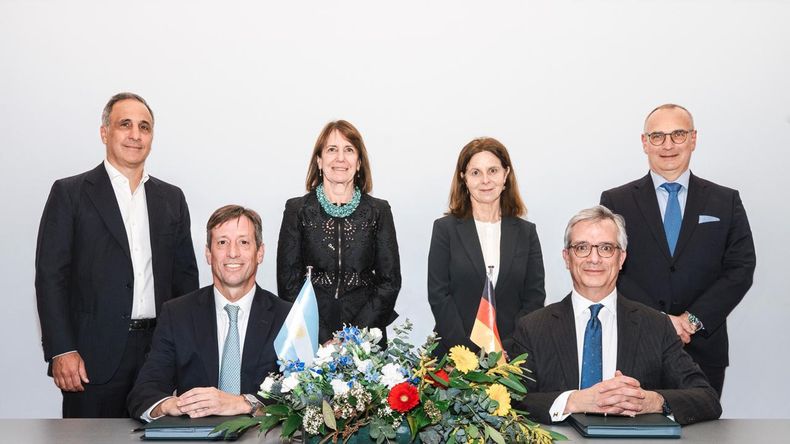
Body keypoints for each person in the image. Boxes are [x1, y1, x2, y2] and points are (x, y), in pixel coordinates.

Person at [35, 92, 199, 418]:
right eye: (125, 124)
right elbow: (51, 277)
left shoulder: (171, 199)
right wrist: (62, 350)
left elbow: (186, 281)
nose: (136, 135)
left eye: (145, 127)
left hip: (158, 354)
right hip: (92, 358)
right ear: (104, 132)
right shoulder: (70, 194)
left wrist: (186, 351)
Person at [512, 206, 721, 425]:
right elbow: (513, 401)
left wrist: (652, 401)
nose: (594, 258)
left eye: (606, 248)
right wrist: (573, 401)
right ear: (567, 258)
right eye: (582, 247)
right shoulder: (533, 327)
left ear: (621, 258)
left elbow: (707, 398)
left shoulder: (656, 326)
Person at [600, 104, 756, 396]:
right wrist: (659, 321)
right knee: (634, 436)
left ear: (693, 139)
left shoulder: (726, 201)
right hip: (636, 345)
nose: (668, 145)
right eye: (657, 136)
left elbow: (740, 269)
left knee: (702, 435)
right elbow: (610, 269)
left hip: (703, 349)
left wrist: (690, 321)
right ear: (644, 142)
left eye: (678, 134)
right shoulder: (616, 201)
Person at [127, 205, 291, 420]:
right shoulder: (177, 314)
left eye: (244, 242)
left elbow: (304, 396)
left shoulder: (288, 317)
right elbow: (144, 392)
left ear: (259, 252)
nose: (233, 253)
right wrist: (168, 405)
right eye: (222, 243)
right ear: (208, 253)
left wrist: (244, 403)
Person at [277, 120, 401, 343]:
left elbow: (389, 282)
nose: (340, 158)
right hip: (310, 334)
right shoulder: (297, 210)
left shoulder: (379, 211)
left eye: (349, 150)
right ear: (319, 161)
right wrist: (324, 337)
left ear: (359, 162)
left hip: (366, 335)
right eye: (332, 150)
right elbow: (288, 283)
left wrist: (353, 336)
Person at [428, 137, 545, 358]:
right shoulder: (445, 229)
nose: (485, 180)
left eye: (493, 171)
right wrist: (466, 354)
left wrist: (505, 350)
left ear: (506, 175)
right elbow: (439, 296)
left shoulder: (526, 233)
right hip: (454, 359)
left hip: (511, 358)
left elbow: (534, 298)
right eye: (475, 172)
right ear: (463, 178)